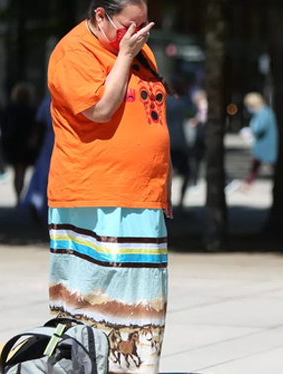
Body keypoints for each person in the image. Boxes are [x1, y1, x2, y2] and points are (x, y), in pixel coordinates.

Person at [46, 1, 171, 372]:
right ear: (100, 15)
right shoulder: (73, 52)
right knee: (93, 305)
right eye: (128, 25)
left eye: (143, 25)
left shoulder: (137, 48)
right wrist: (125, 56)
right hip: (93, 195)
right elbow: (100, 108)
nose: (138, 33)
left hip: (142, 196)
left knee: (142, 307)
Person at [227, 92, 278, 193]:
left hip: (266, 144)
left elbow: (259, 128)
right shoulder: (262, 112)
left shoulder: (264, 113)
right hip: (264, 144)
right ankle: (247, 184)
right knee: (257, 165)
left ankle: (248, 184)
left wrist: (248, 132)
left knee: (262, 164)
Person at [1, 82, 38, 207]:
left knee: (17, 172)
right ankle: (20, 196)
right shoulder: (31, 110)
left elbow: (4, 126)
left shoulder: (9, 109)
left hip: (13, 144)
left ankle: (18, 196)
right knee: (21, 172)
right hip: (25, 145)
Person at [19, 94, 54, 225]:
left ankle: (37, 203)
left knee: (42, 174)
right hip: (57, 139)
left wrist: (34, 141)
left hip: (51, 141)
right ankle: (37, 203)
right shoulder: (52, 100)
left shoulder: (47, 101)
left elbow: (39, 124)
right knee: (45, 174)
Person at [166, 79, 197, 213]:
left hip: (166, 143)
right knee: (186, 173)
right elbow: (193, 115)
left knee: (166, 176)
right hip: (180, 142)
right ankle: (181, 205)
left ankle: (165, 205)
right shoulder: (183, 103)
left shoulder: (163, 101)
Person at [189, 89, 207, 189]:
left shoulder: (203, 106)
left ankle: (194, 182)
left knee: (197, 159)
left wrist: (197, 122)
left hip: (201, 136)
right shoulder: (203, 106)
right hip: (202, 136)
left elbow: (203, 119)